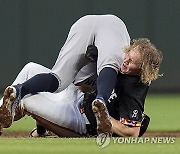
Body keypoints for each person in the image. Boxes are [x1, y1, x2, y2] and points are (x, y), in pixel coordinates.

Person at [0, 15, 163, 135]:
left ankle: (26, 110)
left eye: (132, 61)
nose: (126, 61)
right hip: (75, 98)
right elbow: (80, 85)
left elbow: (132, 132)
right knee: (30, 69)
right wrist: (89, 64)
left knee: (26, 100)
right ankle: (39, 125)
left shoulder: (135, 86)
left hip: (81, 121)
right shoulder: (116, 54)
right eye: (128, 55)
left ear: (143, 70)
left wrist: (104, 119)